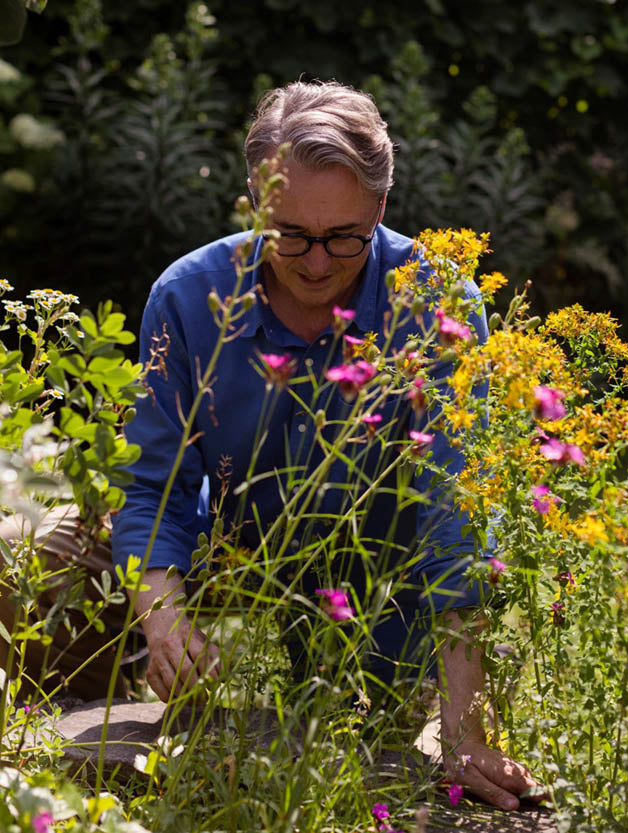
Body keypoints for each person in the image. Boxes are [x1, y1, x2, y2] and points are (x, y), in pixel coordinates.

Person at [9, 80, 542, 811]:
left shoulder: (436, 302)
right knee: (39, 560)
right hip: (228, 545)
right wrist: (164, 618)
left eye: (344, 237)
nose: (317, 263)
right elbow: (150, 486)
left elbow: (459, 513)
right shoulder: (190, 294)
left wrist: (466, 726)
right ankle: (76, 774)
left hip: (375, 573)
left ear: (381, 208)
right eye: (289, 233)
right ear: (254, 204)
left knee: (379, 748)